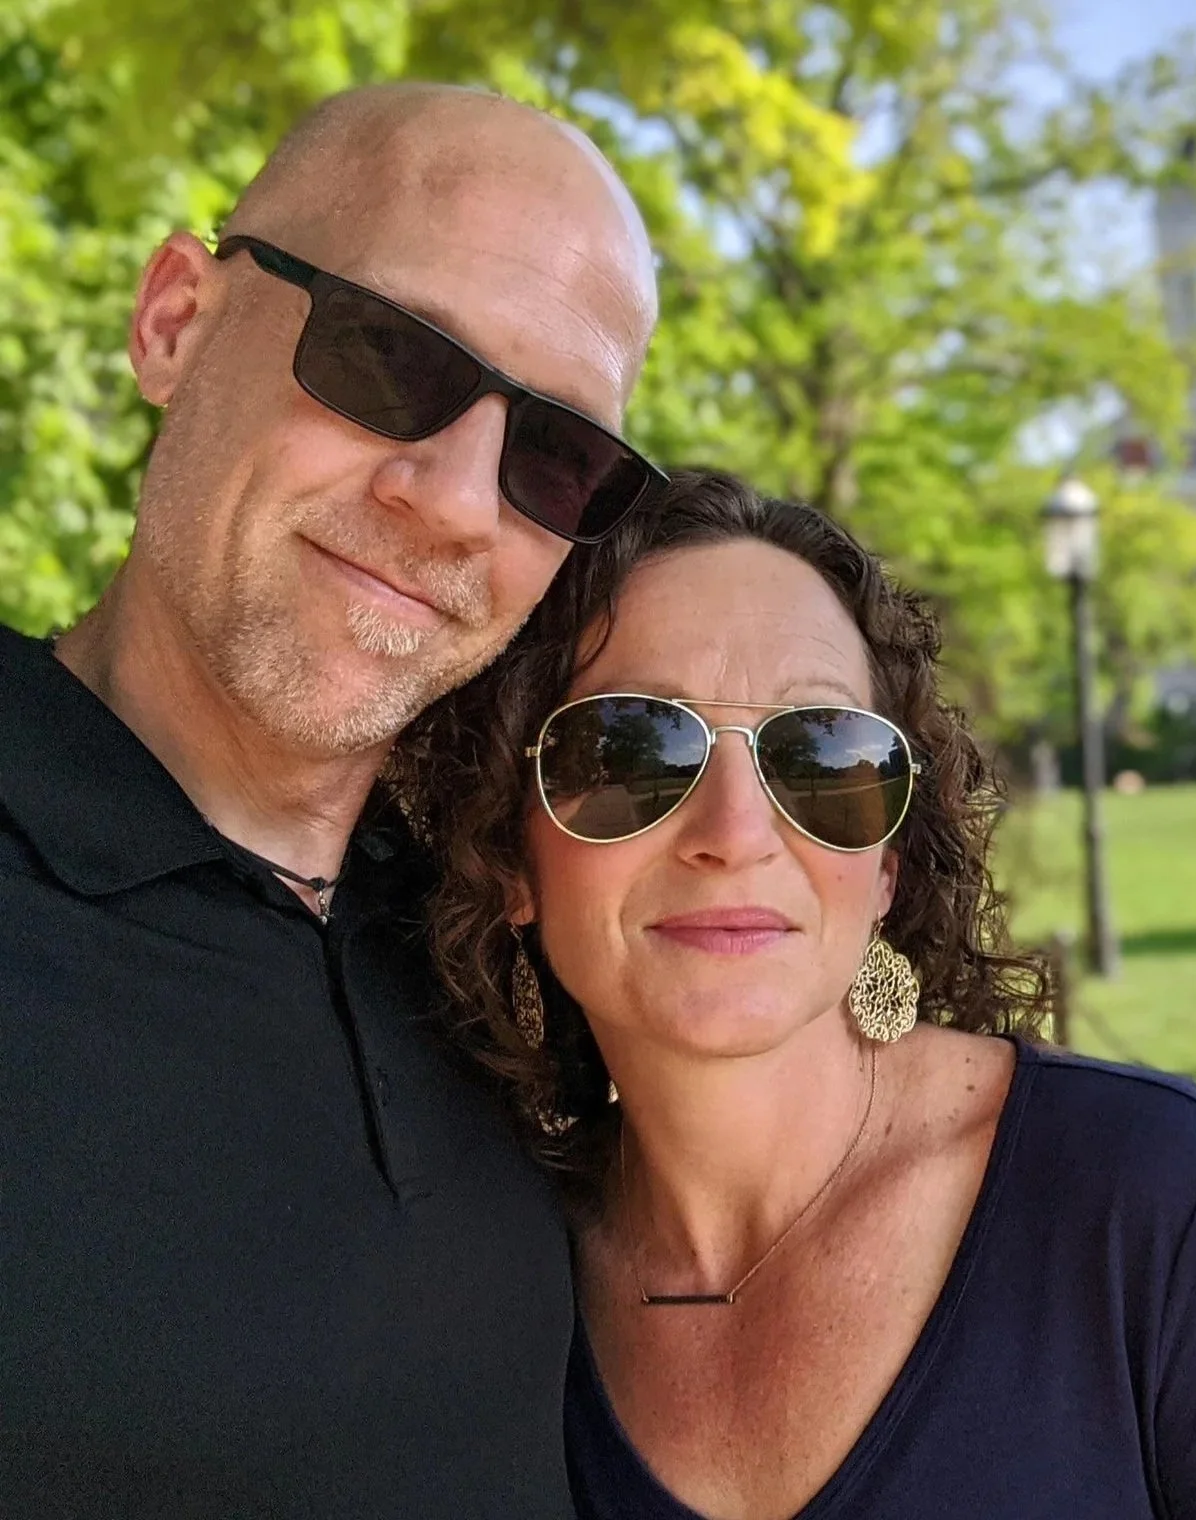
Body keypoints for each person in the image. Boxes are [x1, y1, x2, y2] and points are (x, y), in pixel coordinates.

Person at [400, 469, 1196, 1520]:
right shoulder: (493, 1282)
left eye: (822, 756)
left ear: (885, 864)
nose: (735, 833)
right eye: (633, 749)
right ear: (507, 848)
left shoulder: (1143, 1200)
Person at [0, 83, 662, 1516]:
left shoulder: (518, 946)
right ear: (175, 320)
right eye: (388, 355)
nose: (457, 501)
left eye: (556, 454)